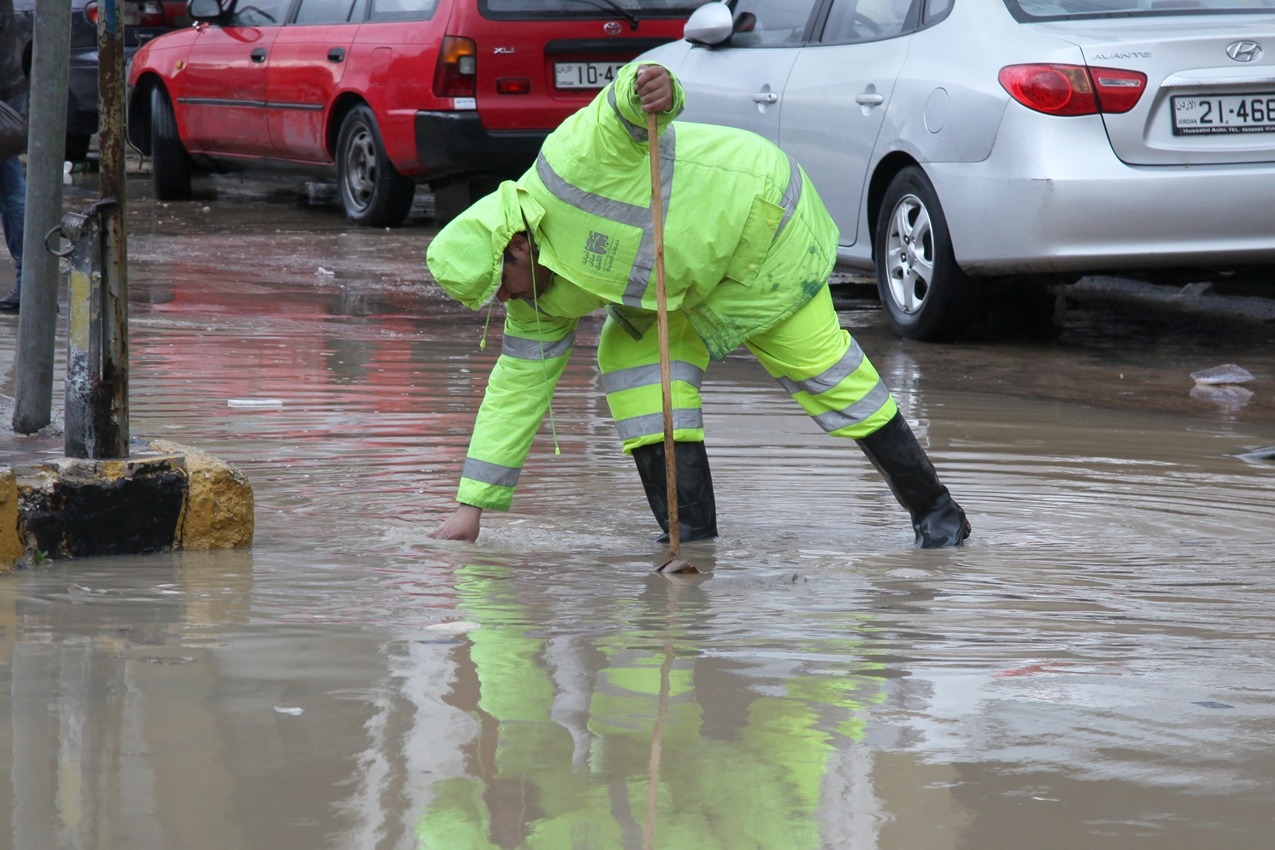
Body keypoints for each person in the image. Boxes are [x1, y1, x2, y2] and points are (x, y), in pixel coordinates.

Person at [425, 62, 970, 549]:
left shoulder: (567, 163)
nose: (509, 299)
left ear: (517, 244)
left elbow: (618, 106)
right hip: (678, 284)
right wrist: (470, 509)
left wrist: (651, 86)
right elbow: (515, 391)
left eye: (504, 286)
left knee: (824, 369)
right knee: (631, 363)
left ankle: (937, 513)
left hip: (758, 230)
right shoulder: (534, 298)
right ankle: (691, 534)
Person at [0, 0, 26, 312]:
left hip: (5, 94)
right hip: (8, 88)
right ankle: (30, 280)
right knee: (10, 188)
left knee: (10, 188)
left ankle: (30, 280)